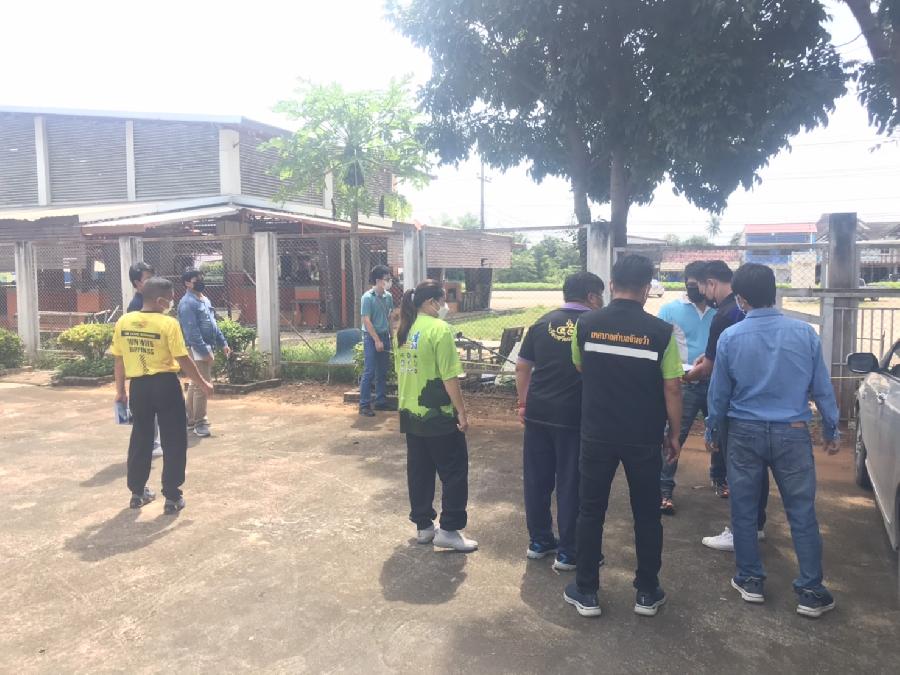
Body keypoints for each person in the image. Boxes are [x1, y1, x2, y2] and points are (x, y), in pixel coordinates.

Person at [707, 263, 840, 618]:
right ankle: (811, 591)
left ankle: (750, 580)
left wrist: (712, 430)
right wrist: (831, 428)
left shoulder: (730, 337)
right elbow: (822, 386)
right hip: (792, 432)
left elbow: (719, 394)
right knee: (802, 512)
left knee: (744, 510)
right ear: (774, 293)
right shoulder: (805, 334)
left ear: (741, 299)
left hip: (743, 432)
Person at [564, 255, 683, 618]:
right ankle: (647, 592)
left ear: (613, 284)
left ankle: (586, 591)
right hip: (643, 436)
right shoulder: (661, 333)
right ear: (647, 289)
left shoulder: (586, 324)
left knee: (590, 510)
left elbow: (580, 365)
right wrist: (675, 433)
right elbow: (673, 387)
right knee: (647, 514)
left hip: (597, 433)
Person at [515, 271, 604, 572]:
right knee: (571, 482)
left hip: (538, 411)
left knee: (537, 479)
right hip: (574, 415)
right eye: (600, 296)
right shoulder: (594, 325)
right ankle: (568, 551)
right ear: (591, 296)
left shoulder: (542, 323)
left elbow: (522, 367)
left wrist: (523, 403)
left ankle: (539, 541)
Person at [111, 277, 214, 514]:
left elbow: (119, 359)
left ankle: (137, 493)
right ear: (159, 301)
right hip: (165, 385)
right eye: (169, 299)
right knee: (174, 439)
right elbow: (183, 359)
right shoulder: (168, 324)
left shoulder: (124, 321)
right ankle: (172, 496)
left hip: (139, 387)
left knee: (141, 437)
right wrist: (203, 383)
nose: (171, 303)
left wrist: (120, 391)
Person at [686, 260, 770, 551]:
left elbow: (712, 369)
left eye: (701, 287)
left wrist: (687, 375)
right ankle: (756, 525)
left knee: (740, 472)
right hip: (763, 401)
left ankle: (740, 532)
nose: (702, 294)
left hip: (735, 406)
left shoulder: (723, 315)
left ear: (710, 283)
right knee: (758, 471)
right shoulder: (749, 312)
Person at [395, 279, 477, 552]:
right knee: (454, 471)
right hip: (439, 414)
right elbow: (449, 377)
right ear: (432, 302)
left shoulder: (404, 330)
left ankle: (424, 526)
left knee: (420, 470)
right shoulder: (439, 329)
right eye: (443, 301)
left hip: (410, 412)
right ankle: (450, 529)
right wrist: (461, 411)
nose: (445, 306)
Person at [657, 261, 715, 514]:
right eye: (691, 285)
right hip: (684, 382)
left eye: (698, 285)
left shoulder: (721, 311)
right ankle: (664, 490)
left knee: (721, 434)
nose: (695, 290)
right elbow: (659, 344)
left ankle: (720, 478)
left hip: (715, 382)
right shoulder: (670, 310)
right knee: (675, 435)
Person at [178, 269, 230, 437]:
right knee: (203, 384)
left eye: (201, 278)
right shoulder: (187, 303)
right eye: (196, 279)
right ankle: (200, 422)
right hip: (197, 347)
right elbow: (191, 332)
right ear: (187, 283)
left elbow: (213, 323)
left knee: (196, 383)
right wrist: (204, 351)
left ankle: (190, 419)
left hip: (206, 345)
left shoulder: (204, 299)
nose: (200, 281)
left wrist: (223, 343)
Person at [126, 261, 164, 457]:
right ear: (137, 283)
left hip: (154, 365)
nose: (153, 282)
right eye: (148, 279)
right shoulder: (136, 307)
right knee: (147, 410)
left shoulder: (152, 302)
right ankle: (151, 444)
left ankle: (153, 441)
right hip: (144, 366)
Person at [359, 265, 396, 417]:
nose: (389, 282)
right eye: (387, 279)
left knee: (382, 371)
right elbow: (366, 320)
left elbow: (390, 317)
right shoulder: (367, 297)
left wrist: (392, 336)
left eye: (389, 279)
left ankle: (380, 401)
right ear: (378, 280)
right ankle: (364, 404)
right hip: (371, 337)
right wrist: (376, 340)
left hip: (384, 336)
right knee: (369, 371)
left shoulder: (388, 297)